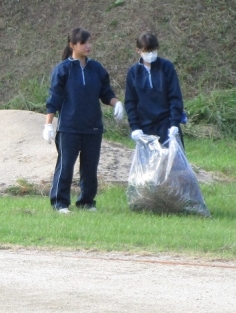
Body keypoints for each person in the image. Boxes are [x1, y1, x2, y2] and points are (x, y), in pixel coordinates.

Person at [43, 28, 124, 213]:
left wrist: (117, 103)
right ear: (72, 45)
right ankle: (60, 202)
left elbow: (106, 93)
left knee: (90, 167)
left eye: (89, 41)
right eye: (83, 43)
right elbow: (54, 98)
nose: (88, 46)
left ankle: (86, 202)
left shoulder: (96, 68)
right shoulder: (63, 69)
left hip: (92, 126)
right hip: (69, 127)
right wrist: (48, 124)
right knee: (65, 166)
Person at [123, 32, 184, 147]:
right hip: (145, 127)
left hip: (167, 125)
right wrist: (135, 127)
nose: (151, 54)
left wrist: (174, 123)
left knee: (172, 158)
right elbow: (130, 101)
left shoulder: (166, 67)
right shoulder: (134, 72)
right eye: (147, 51)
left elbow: (175, 96)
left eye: (153, 50)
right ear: (138, 50)